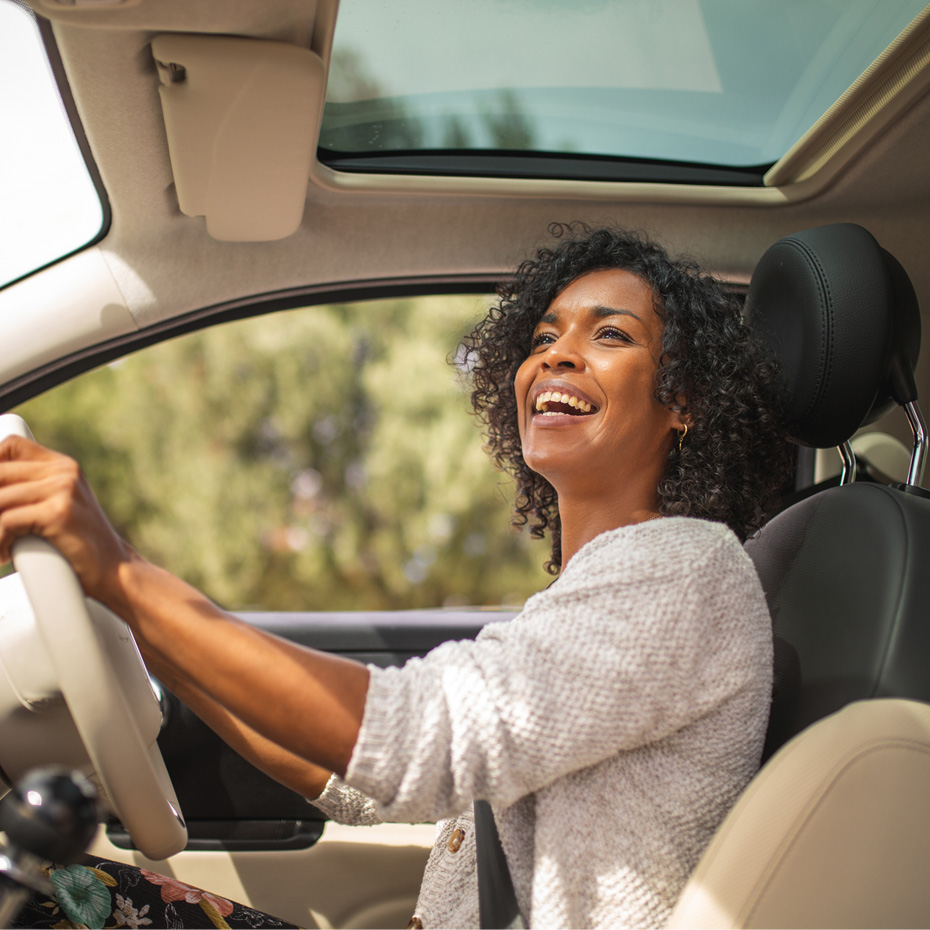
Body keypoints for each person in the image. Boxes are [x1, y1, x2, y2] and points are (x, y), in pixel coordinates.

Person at [0, 225, 793, 929]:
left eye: (611, 335)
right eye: (544, 334)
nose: (557, 352)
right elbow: (359, 789)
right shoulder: (590, 595)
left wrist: (124, 572)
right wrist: (136, 612)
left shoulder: (683, 569)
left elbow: (419, 741)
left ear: (681, 400)